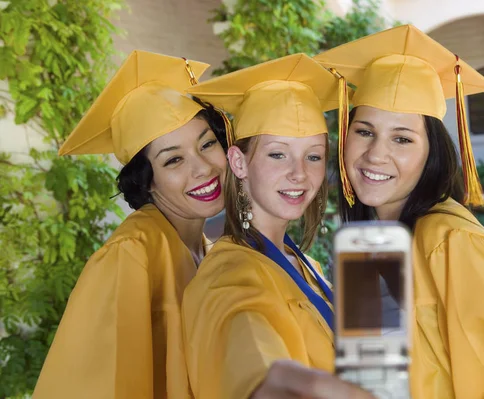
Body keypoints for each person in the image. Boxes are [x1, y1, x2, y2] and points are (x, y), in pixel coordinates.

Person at [315, 24, 484, 398]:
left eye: (402, 138)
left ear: (433, 152)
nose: (375, 154)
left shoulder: (451, 243)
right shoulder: (373, 241)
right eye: (364, 131)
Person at [33, 50, 228, 399]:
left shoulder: (207, 248)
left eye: (208, 144)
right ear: (147, 181)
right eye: (173, 160)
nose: (203, 168)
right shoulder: (130, 255)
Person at [181, 53, 373, 399]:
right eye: (277, 154)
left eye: (313, 156)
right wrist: (261, 383)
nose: (299, 173)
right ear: (238, 163)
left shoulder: (305, 264)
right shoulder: (229, 271)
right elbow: (244, 331)